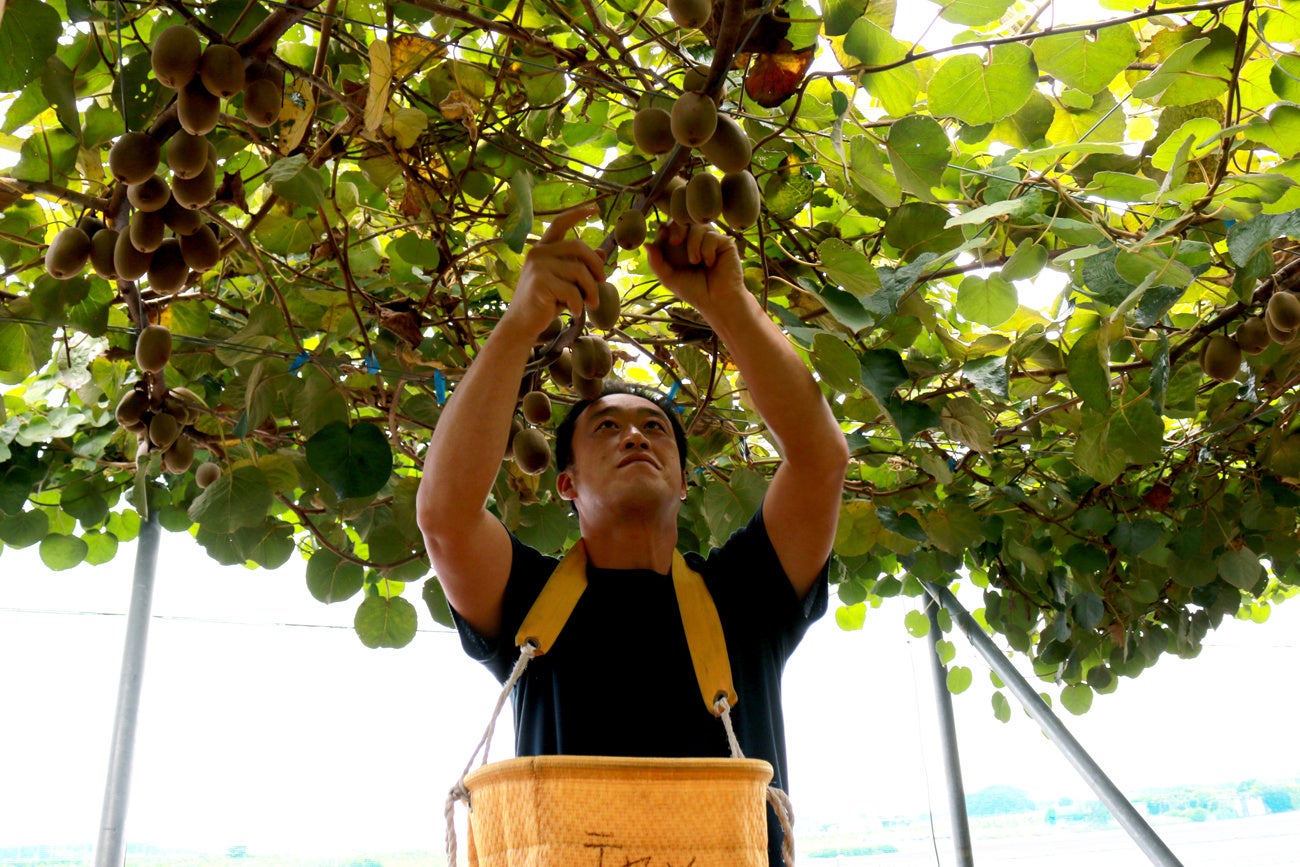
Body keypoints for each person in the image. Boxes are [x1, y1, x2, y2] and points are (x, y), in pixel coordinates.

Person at [417, 204, 848, 864]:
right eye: (606, 427)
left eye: (654, 427)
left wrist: (727, 302)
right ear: (566, 484)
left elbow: (821, 459)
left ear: (682, 482)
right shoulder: (531, 601)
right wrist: (519, 323)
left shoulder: (745, 597)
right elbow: (445, 518)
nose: (636, 434)